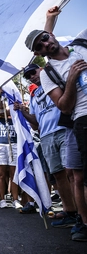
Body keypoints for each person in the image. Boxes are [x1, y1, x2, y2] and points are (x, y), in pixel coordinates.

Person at [26, 21, 87, 241]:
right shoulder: (46, 76)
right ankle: (77, 216)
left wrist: (50, 18)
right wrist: (71, 78)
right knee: (72, 174)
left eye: (45, 38)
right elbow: (60, 107)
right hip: (73, 122)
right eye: (40, 46)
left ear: (51, 35)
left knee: (76, 174)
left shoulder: (80, 45)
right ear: (38, 53)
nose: (46, 44)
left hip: (69, 129)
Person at [14, 64, 78, 218]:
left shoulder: (56, 80)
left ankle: (81, 213)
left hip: (64, 129)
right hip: (46, 136)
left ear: (41, 70)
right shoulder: (34, 94)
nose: (32, 77)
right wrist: (23, 111)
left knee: (72, 171)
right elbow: (35, 124)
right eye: (28, 76)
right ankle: (69, 211)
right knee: (57, 174)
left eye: (33, 73)